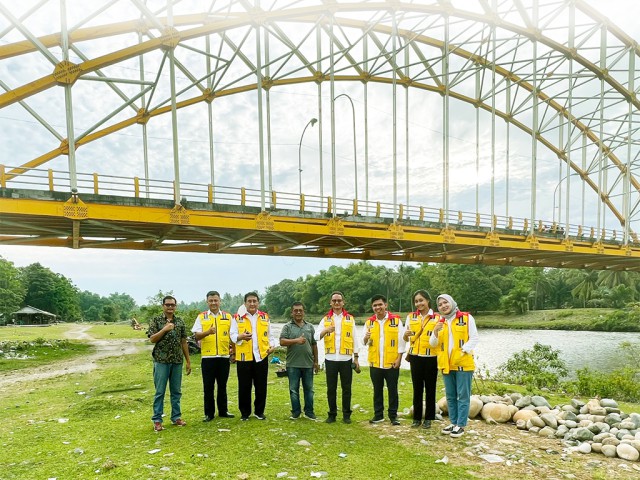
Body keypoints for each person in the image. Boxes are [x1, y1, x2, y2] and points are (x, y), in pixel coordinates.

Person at [430, 294, 479, 439]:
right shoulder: (440, 322)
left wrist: (463, 350)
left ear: (451, 303)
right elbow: (433, 344)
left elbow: (474, 338)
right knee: (450, 395)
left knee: (463, 395)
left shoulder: (466, 318)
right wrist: (435, 332)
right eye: (440, 304)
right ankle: (453, 422)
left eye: (446, 303)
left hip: (463, 363)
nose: (443, 306)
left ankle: (461, 425)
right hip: (446, 364)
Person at [230, 292, 277, 421]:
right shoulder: (237, 317)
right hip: (244, 357)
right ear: (245, 303)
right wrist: (241, 337)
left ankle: (259, 411)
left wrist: (272, 346)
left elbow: (270, 336)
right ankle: (245, 413)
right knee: (244, 386)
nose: (252, 304)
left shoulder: (264, 317)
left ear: (258, 303)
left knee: (261, 385)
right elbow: (232, 336)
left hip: (261, 356)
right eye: (249, 301)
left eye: (254, 301)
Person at [147, 295, 191, 432]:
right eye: (168, 305)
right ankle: (157, 420)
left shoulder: (180, 321)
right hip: (161, 361)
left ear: (175, 306)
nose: (170, 307)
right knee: (160, 391)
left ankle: (176, 417)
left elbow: (183, 341)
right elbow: (152, 339)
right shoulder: (156, 320)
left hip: (177, 361)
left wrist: (188, 361)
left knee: (176, 391)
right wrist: (164, 329)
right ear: (163, 306)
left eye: (172, 305)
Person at [315, 291, 360, 424]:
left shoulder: (350, 319)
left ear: (343, 302)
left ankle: (346, 415)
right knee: (331, 388)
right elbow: (316, 336)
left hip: (346, 359)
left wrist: (356, 357)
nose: (336, 303)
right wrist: (325, 330)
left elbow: (355, 339)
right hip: (330, 359)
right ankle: (332, 414)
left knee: (347, 388)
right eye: (334, 301)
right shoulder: (325, 319)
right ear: (330, 303)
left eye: (339, 300)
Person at [191, 290, 235, 422]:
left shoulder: (228, 317)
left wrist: (234, 353)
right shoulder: (202, 317)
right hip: (208, 358)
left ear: (220, 301)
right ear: (207, 302)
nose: (214, 303)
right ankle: (209, 413)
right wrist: (207, 332)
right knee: (208, 387)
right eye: (211, 301)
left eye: (216, 300)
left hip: (223, 357)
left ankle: (223, 411)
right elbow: (196, 335)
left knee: (222, 386)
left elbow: (232, 336)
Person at [363, 294, 405, 426]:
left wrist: (399, 359)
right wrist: (365, 337)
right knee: (377, 389)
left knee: (392, 389)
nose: (377, 307)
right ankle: (378, 414)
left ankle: (393, 416)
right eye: (375, 305)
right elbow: (363, 342)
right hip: (375, 362)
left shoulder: (396, 321)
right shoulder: (369, 322)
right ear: (372, 307)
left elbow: (402, 342)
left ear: (385, 305)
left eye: (380, 304)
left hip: (391, 362)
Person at [403, 290, 439, 429]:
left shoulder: (437, 318)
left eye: (421, 300)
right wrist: (405, 335)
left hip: (431, 357)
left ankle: (429, 418)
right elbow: (405, 339)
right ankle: (417, 418)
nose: (419, 303)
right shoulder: (411, 317)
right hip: (415, 357)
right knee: (417, 388)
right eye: (416, 301)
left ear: (428, 301)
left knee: (430, 388)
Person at [279, 302, 319, 420]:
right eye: (295, 310)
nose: (298, 312)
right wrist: (296, 340)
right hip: (293, 364)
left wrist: (316, 361)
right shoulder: (287, 327)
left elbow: (314, 344)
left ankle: (309, 411)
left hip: (308, 364)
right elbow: (281, 342)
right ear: (292, 312)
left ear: (304, 312)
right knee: (293, 390)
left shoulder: (310, 327)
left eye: (300, 310)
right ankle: (296, 411)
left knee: (309, 390)